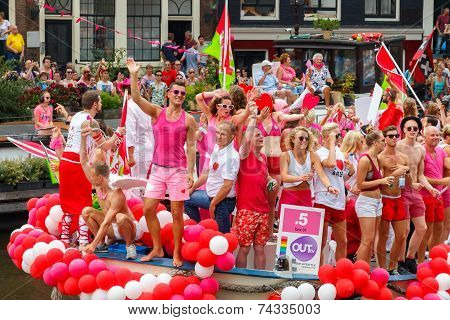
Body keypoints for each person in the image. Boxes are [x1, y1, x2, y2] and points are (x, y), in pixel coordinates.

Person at [128, 58, 197, 267]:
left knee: (177, 214)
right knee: (148, 208)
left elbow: (192, 147)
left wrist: (191, 172)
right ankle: (157, 247)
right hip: (158, 169)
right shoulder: (157, 112)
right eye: (175, 92)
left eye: (183, 94)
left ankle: (176, 252)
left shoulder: (189, 120)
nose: (179, 95)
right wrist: (133, 74)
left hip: (177, 170)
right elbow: (137, 98)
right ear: (168, 94)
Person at [58, 90, 124, 248]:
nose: (101, 104)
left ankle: (65, 239)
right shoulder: (91, 122)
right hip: (77, 163)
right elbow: (106, 146)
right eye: (100, 101)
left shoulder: (76, 116)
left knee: (69, 203)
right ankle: (83, 243)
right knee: (83, 203)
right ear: (95, 104)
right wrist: (118, 134)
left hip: (65, 161)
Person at [80, 132, 138, 259]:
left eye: (92, 176)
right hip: (112, 228)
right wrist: (83, 138)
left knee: (120, 217)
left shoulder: (115, 192)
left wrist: (92, 245)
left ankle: (130, 246)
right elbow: (83, 161)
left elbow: (106, 222)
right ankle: (102, 244)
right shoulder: (97, 184)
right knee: (86, 211)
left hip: (128, 228)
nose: (90, 178)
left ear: (100, 177)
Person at [396, 116, 440, 274]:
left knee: (422, 227)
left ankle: (409, 257)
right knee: (405, 230)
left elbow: (420, 175)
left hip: (416, 191)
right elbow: (395, 172)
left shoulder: (421, 149)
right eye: (409, 128)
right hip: (401, 191)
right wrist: (408, 184)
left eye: (415, 128)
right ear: (403, 130)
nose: (412, 131)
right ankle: (400, 261)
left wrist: (429, 188)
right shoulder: (398, 147)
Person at [234, 104, 274, 269]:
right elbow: (248, 136)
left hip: (263, 210)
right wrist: (252, 117)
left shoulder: (264, 157)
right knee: (244, 248)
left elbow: (266, 175)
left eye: (261, 135)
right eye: (257, 135)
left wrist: (271, 180)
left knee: (260, 248)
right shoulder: (244, 154)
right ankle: (240, 280)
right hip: (247, 210)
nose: (260, 137)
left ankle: (261, 280)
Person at [185, 122, 240, 233]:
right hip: (211, 197)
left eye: (223, 134)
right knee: (187, 198)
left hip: (223, 201)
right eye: (218, 132)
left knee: (222, 237)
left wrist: (213, 204)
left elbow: (227, 186)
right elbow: (207, 173)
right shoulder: (216, 147)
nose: (219, 136)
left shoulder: (231, 157)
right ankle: (197, 231)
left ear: (232, 137)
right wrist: (192, 188)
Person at [314, 122, 350, 263]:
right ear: (327, 137)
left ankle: (341, 270)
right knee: (321, 242)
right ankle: (318, 271)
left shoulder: (339, 152)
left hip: (339, 201)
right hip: (323, 199)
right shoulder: (320, 153)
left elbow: (341, 176)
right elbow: (329, 163)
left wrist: (351, 170)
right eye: (336, 135)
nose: (340, 137)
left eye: (339, 134)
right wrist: (332, 144)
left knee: (343, 241)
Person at [355, 131, 392, 263]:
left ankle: (364, 269)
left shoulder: (378, 159)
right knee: (367, 239)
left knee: (371, 239)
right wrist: (381, 181)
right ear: (375, 143)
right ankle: (359, 268)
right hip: (366, 202)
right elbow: (360, 184)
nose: (385, 142)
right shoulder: (365, 160)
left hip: (377, 201)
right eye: (383, 140)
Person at [377, 126, 410, 275]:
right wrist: (397, 172)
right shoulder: (381, 157)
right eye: (391, 136)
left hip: (399, 198)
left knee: (402, 235)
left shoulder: (403, 157)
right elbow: (382, 182)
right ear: (385, 138)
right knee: (383, 236)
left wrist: (407, 171)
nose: (394, 138)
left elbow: (408, 181)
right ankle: (382, 268)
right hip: (385, 198)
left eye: (396, 135)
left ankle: (392, 267)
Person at [280, 126, 339, 208]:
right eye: (301, 138)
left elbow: (322, 175)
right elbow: (284, 177)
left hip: (305, 196)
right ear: (293, 139)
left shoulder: (312, 155)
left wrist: (329, 187)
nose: (304, 141)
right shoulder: (285, 155)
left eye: (306, 139)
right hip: (289, 195)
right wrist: (301, 178)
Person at [418, 126, 447, 262]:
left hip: (439, 196)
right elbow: (420, 176)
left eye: (437, 135)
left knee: (439, 229)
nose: (436, 137)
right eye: (432, 135)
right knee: (426, 231)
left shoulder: (440, 151)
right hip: (425, 196)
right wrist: (441, 181)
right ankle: (420, 261)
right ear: (425, 137)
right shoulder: (421, 151)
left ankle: (434, 259)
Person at [126, 91, 155, 179]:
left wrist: (130, 155)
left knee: (138, 187)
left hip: (139, 152)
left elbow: (131, 131)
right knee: (147, 186)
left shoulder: (130, 105)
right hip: (148, 149)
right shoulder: (145, 104)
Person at [340, 130, 365, 200]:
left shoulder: (355, 156)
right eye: (361, 141)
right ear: (355, 142)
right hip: (347, 196)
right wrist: (350, 188)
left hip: (357, 196)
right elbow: (338, 177)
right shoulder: (343, 156)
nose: (363, 144)